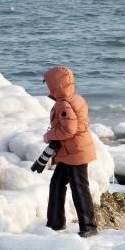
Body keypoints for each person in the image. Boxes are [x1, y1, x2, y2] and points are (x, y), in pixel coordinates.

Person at [42, 65, 98, 237]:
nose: (47, 88)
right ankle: (55, 223)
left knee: (79, 188)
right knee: (57, 184)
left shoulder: (64, 104)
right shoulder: (74, 98)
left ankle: (89, 227)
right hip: (72, 151)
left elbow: (69, 130)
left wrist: (49, 135)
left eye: (49, 84)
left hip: (76, 152)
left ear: (56, 86)